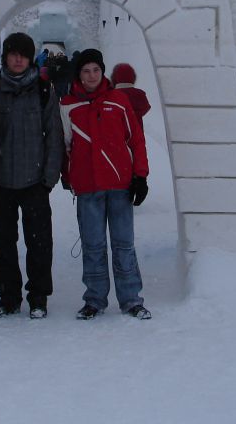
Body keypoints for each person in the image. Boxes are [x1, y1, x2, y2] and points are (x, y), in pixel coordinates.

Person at [60, 48, 151, 320]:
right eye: (86, 71)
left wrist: (141, 175)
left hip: (119, 183)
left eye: (96, 70)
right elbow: (65, 145)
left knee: (124, 245)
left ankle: (131, 299)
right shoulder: (68, 104)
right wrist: (69, 177)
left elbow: (135, 139)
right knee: (93, 246)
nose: (91, 75)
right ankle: (95, 299)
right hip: (88, 187)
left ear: (102, 72)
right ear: (79, 74)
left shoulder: (119, 101)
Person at [0, 32, 64, 320]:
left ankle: (38, 296)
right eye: (12, 53)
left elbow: (54, 135)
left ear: (30, 58)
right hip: (0, 181)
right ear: (6, 57)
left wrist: (49, 178)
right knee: (3, 243)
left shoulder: (44, 91)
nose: (18, 59)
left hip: (34, 182)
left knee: (39, 243)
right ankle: (9, 296)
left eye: (23, 54)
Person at [110, 62, 151, 131]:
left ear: (114, 78)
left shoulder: (110, 95)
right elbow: (146, 108)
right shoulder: (139, 94)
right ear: (133, 77)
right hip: (137, 135)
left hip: (117, 136)